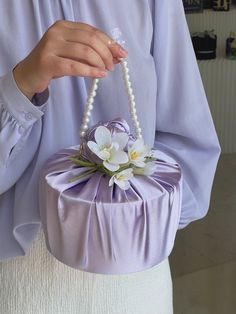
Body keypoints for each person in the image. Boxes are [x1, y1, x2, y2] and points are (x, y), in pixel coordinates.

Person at [0, 0, 221, 313]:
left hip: (134, 277)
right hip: (22, 285)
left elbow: (187, 141)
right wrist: (19, 85)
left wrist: (138, 222)